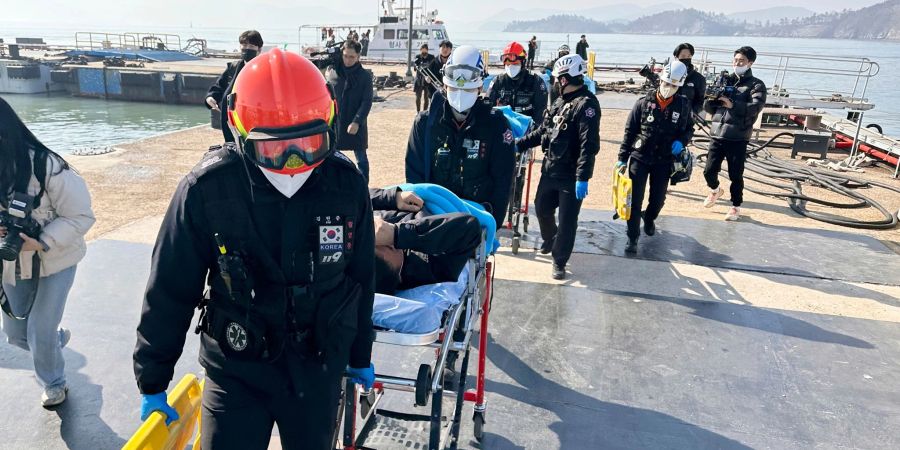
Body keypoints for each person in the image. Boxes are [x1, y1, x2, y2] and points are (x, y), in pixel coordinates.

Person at [133, 49, 376, 450]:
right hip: (237, 368)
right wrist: (153, 376)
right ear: (238, 130)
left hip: (318, 364)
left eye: (310, 145)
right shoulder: (206, 191)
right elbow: (171, 287)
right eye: (274, 150)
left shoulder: (346, 186)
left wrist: (360, 352)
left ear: (330, 127)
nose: (294, 163)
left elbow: (360, 276)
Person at [0, 98, 95, 407]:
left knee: (39, 330)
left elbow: (81, 217)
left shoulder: (47, 166)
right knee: (16, 335)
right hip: (14, 263)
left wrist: (41, 240)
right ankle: (53, 343)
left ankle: (54, 383)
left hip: (56, 259)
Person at [405, 45, 516, 228]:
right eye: (455, 89)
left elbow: (503, 180)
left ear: (480, 86)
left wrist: (493, 223)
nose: (460, 95)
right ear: (445, 84)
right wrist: (420, 219)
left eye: (467, 90)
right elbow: (414, 176)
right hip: (432, 217)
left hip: (476, 217)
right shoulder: (425, 124)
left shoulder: (496, 125)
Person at [517, 54, 600, 280]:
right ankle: (550, 238)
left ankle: (559, 261)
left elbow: (588, 145)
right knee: (541, 208)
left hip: (571, 175)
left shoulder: (587, 105)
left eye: (557, 79)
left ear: (564, 79)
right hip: (550, 168)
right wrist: (520, 144)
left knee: (567, 221)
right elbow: (544, 131)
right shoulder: (559, 101)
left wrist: (583, 177)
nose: (554, 83)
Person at [617, 60, 694, 253]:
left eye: (674, 86)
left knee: (658, 199)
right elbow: (629, 131)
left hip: (664, 160)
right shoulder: (643, 103)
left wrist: (682, 141)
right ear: (660, 81)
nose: (669, 88)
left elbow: (688, 129)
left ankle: (649, 218)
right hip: (640, 157)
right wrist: (622, 158)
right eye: (667, 84)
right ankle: (632, 237)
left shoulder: (683, 106)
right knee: (634, 200)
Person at [369, 188, 481, 294]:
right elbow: (469, 228)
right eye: (384, 245)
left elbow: (356, 194)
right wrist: (396, 234)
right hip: (451, 204)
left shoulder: (358, 243)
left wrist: (393, 197)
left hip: (407, 197)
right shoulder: (430, 266)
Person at [701, 46, 767, 221]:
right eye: (735, 60)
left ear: (750, 63)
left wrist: (733, 104)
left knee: (735, 174)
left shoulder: (756, 84)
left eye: (742, 61)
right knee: (708, 171)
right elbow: (708, 108)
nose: (737, 64)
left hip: (738, 137)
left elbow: (755, 107)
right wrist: (710, 99)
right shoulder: (724, 80)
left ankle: (736, 206)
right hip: (717, 133)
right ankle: (715, 190)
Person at [327, 40, 374, 181]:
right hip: (337, 123)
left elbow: (367, 102)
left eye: (352, 57)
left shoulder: (365, 76)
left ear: (359, 56)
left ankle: (364, 186)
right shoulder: (334, 73)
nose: (348, 60)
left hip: (355, 122)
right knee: (333, 157)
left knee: (361, 159)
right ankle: (335, 184)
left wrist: (357, 121)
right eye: (345, 56)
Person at [205, 30, 263, 143]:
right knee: (233, 147)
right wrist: (210, 97)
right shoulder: (233, 67)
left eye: (251, 46)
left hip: (254, 122)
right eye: (244, 45)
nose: (247, 48)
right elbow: (219, 87)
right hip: (231, 120)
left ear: (259, 50)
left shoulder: (264, 69)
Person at [487, 41, 548, 127]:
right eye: (508, 64)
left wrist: (530, 132)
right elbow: (488, 108)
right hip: (502, 129)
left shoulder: (536, 81)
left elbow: (540, 111)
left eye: (515, 64)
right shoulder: (498, 81)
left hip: (527, 129)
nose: (511, 67)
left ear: (523, 63)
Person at [673, 42, 706, 116]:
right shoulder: (667, 75)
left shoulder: (699, 78)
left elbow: (700, 101)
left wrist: (691, 112)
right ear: (676, 57)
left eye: (689, 56)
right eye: (683, 56)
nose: (686, 59)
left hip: (686, 118)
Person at [413, 44, 436, 112]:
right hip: (419, 80)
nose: (423, 52)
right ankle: (418, 111)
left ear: (427, 50)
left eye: (424, 50)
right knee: (418, 97)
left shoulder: (431, 57)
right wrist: (415, 64)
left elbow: (434, 67)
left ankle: (424, 112)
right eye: (421, 50)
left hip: (427, 80)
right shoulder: (417, 57)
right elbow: (415, 68)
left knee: (426, 97)